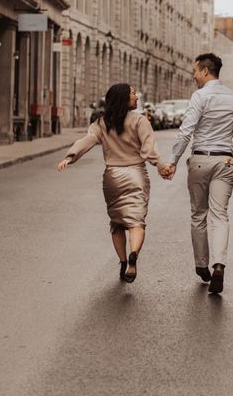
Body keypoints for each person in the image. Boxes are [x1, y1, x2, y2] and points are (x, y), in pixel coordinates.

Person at [57, 83, 171, 283]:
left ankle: (123, 262)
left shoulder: (102, 123)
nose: (136, 97)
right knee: (136, 221)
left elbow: (89, 140)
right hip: (136, 174)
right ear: (124, 99)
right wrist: (162, 167)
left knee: (117, 223)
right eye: (133, 94)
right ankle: (134, 253)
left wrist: (70, 157)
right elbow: (148, 150)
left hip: (113, 177)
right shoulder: (140, 121)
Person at [166, 53, 233, 294]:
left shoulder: (200, 96)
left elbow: (185, 132)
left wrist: (173, 161)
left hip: (200, 159)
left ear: (206, 71)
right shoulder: (232, 97)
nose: (193, 75)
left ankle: (202, 266)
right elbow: (231, 131)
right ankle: (219, 264)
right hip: (225, 159)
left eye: (195, 71)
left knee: (199, 214)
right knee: (220, 215)